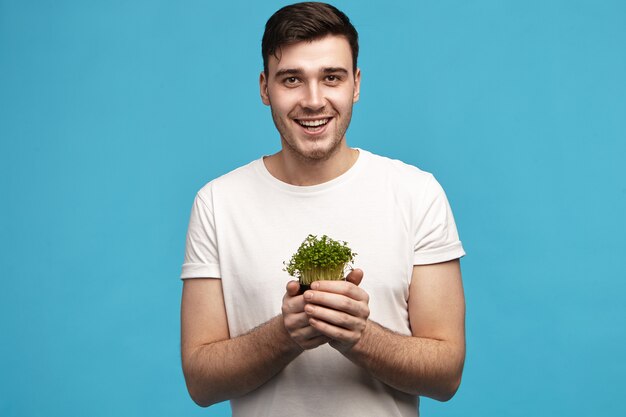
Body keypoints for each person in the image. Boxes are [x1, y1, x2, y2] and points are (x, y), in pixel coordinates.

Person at [180, 2, 466, 416]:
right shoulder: (217, 203)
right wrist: (286, 334)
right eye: (292, 79)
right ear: (265, 88)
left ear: (355, 85)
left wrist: (359, 336)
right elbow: (200, 382)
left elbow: (447, 375)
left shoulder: (416, 193)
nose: (313, 101)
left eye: (331, 77)